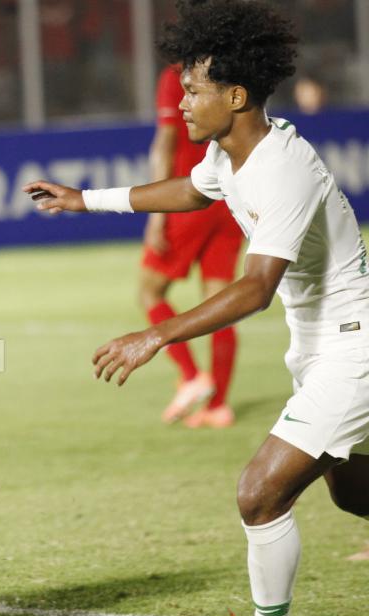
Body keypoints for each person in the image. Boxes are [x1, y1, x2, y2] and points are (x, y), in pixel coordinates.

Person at [24, 0, 369, 616]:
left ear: (235, 96)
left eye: (193, 89)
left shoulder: (282, 169)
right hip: (318, 350)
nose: (180, 102)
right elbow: (188, 190)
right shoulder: (230, 154)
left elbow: (254, 290)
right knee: (357, 496)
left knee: (259, 493)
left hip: (353, 352)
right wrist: (83, 199)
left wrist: (155, 333)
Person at [140, 60, 244, 428]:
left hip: (191, 195)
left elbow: (166, 143)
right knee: (222, 304)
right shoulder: (234, 71)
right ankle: (218, 406)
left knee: (150, 292)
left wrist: (156, 216)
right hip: (230, 197)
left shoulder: (176, 75)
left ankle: (190, 376)